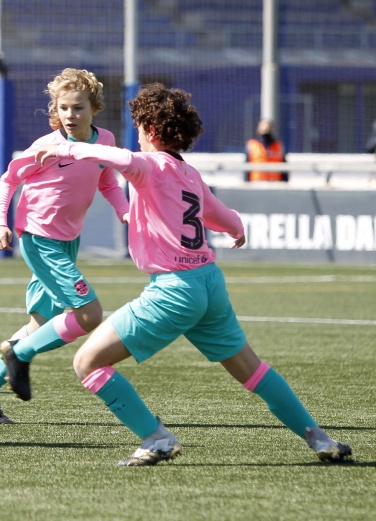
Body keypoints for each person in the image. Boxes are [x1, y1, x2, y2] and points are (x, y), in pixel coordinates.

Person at [34, 82, 352, 466]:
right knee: (252, 371)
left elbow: (116, 157)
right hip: (209, 283)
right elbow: (227, 217)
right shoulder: (190, 175)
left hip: (174, 290)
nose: (136, 137)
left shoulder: (149, 165)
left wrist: (64, 146)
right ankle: (318, 437)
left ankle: (156, 438)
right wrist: (237, 230)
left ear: (151, 132)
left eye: (139, 128)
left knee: (87, 363)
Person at [0, 68, 129, 424]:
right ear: (56, 108)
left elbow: (108, 181)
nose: (71, 115)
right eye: (64, 108)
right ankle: (18, 357)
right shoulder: (46, 146)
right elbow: (8, 181)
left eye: (79, 108)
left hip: (68, 240)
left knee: (41, 323)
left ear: (95, 108)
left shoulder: (106, 141)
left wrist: (125, 211)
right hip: (39, 239)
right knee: (89, 315)